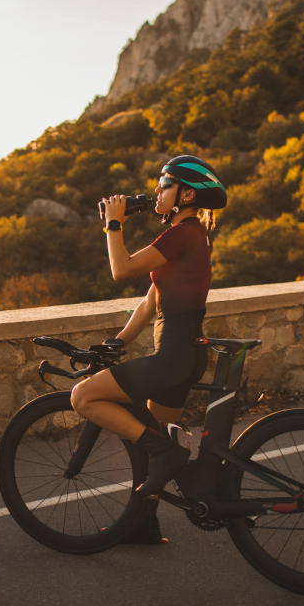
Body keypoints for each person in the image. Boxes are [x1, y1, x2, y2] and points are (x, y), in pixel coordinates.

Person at [69, 154, 226, 543]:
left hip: (171, 360)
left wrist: (114, 224)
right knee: (152, 441)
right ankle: (143, 524)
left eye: (165, 186)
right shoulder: (189, 236)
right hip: (184, 357)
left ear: (186, 195)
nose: (156, 192)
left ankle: (171, 458)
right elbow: (150, 300)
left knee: (83, 397)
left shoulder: (183, 232)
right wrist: (118, 341)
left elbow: (121, 270)